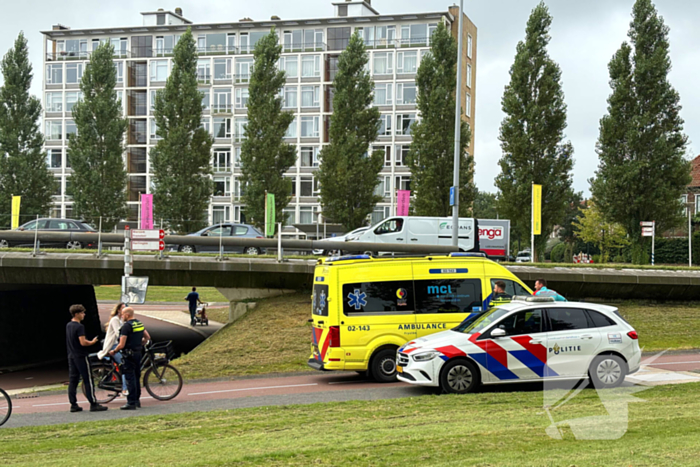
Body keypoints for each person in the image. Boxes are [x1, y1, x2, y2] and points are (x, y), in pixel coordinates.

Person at [65, 304, 108, 413]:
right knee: (88, 379)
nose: (84, 315)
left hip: (71, 355)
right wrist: (92, 342)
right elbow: (83, 342)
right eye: (82, 313)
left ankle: (73, 404)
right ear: (77, 314)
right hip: (81, 355)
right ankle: (93, 403)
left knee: (73, 380)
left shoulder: (69, 325)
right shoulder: (80, 327)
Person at [110, 307, 150, 410]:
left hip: (128, 355)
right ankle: (137, 401)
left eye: (123, 314)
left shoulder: (126, 327)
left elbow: (121, 344)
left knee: (129, 378)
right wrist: (140, 343)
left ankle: (131, 402)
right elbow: (147, 337)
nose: (122, 316)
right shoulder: (139, 323)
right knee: (136, 376)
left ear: (127, 315)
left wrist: (114, 351)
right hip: (137, 353)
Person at [97, 302, 127, 394]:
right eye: (123, 308)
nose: (124, 310)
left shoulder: (122, 319)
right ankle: (125, 389)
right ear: (119, 310)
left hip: (118, 345)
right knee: (125, 365)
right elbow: (119, 334)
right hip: (113, 346)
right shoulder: (115, 320)